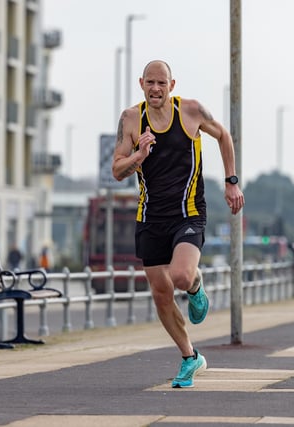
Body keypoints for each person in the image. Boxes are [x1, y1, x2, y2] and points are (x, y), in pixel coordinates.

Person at [111, 60, 245, 388]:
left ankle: (196, 286)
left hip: (188, 212)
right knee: (161, 293)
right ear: (142, 83)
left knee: (181, 276)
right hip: (150, 217)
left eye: (162, 83)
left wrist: (231, 181)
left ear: (172, 85)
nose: (155, 89)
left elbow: (224, 135)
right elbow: (117, 170)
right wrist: (139, 156)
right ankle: (190, 357)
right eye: (150, 83)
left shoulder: (191, 111)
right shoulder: (131, 119)